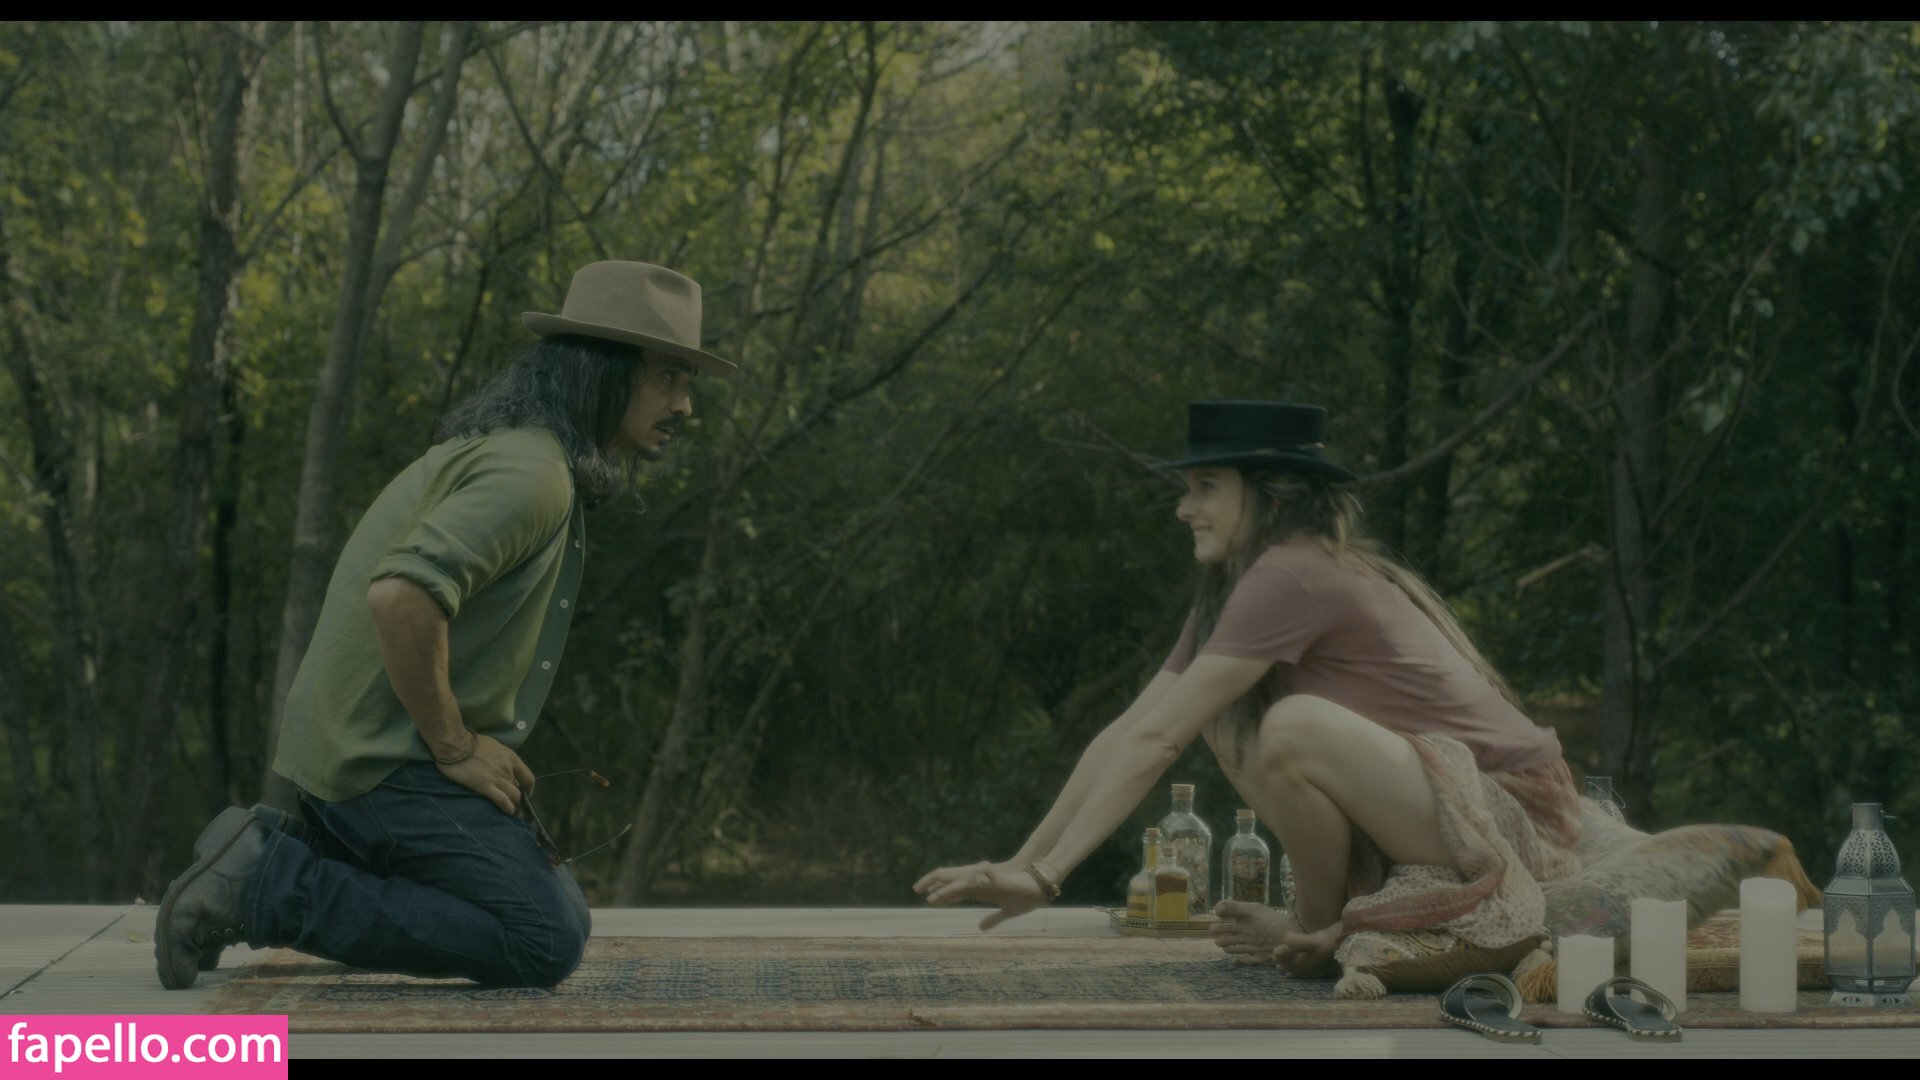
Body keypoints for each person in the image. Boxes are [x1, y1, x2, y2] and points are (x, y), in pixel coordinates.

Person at [154, 261, 736, 989]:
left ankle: (278, 851)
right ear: (604, 369)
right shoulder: (532, 476)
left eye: (688, 381)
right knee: (543, 938)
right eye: (668, 377)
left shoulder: (520, 450)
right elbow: (401, 597)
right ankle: (264, 884)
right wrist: (455, 744)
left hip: (360, 747)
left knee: (559, 916)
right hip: (382, 761)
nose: (685, 405)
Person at [914, 401, 1580, 978]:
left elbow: (1158, 741)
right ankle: (1321, 923)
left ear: (1274, 497)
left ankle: (1312, 928)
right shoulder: (1238, 588)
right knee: (1225, 716)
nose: (1185, 509)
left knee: (1290, 726)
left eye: (1206, 488)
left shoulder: (1290, 574)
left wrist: (1048, 874)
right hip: (1434, 808)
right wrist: (1026, 867)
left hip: (1512, 813)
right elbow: (1134, 729)